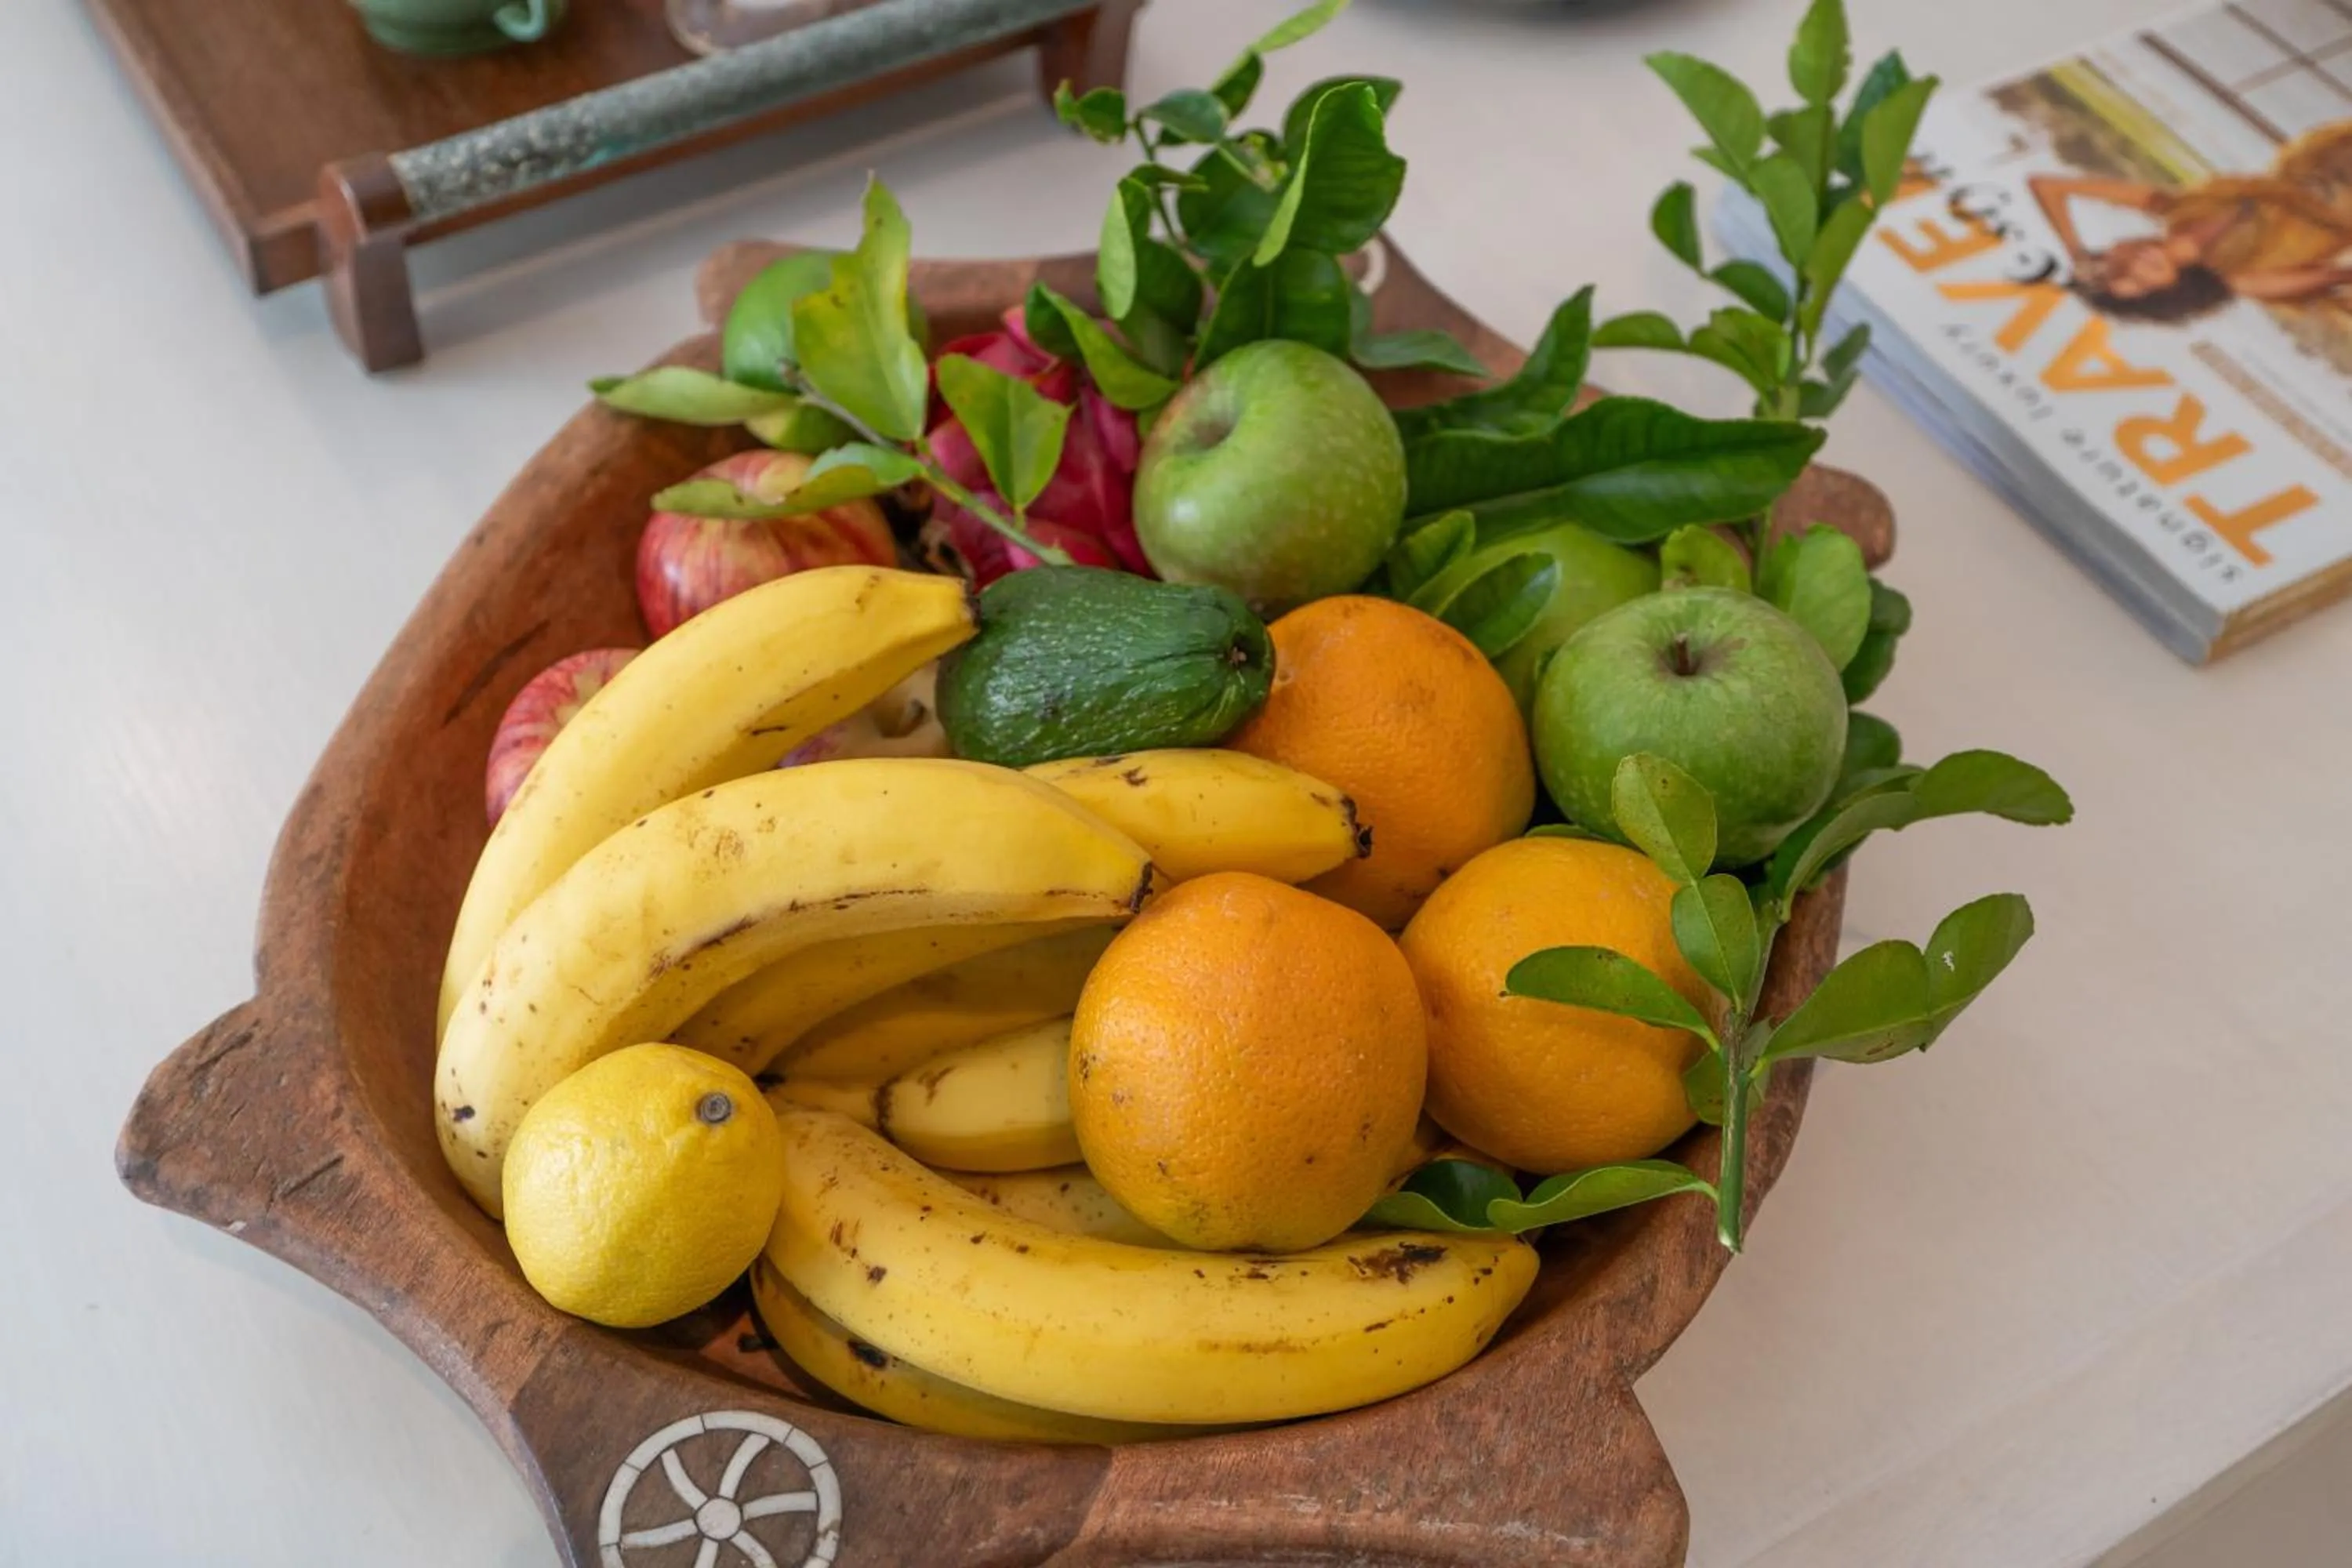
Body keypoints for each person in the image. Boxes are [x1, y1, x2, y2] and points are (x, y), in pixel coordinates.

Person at [2027, 119, 2352, 323]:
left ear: (2112, 251)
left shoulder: (2174, 208)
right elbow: (2337, 275)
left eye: (2116, 269)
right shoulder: (2238, 278)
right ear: (2170, 291)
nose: (2137, 266)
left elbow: (2046, 186)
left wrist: (2075, 251)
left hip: (2328, 156)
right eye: (2139, 282)